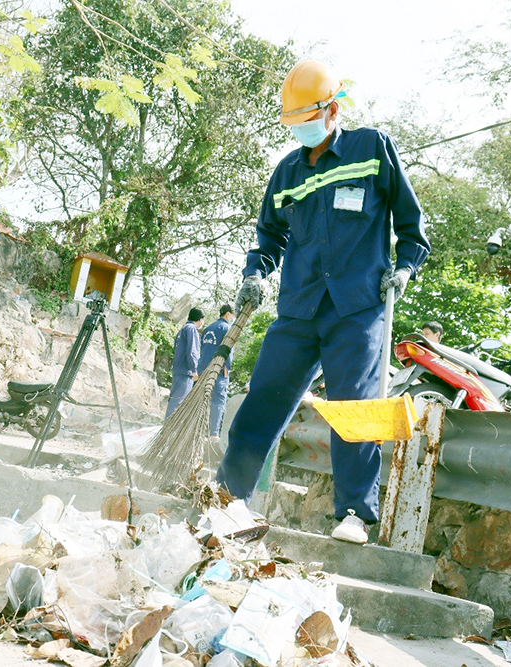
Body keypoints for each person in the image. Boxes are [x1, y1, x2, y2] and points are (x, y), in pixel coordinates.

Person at [215, 60, 430, 545]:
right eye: (293, 124)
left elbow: (412, 226)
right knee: (264, 399)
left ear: (333, 110)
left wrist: (403, 268)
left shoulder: (372, 148)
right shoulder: (287, 171)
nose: (301, 132)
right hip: (299, 307)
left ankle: (354, 513)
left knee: (354, 404)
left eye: (308, 119)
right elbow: (268, 238)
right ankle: (229, 499)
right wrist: (255, 274)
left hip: (357, 307)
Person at [198, 304, 236, 437]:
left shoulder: (208, 328)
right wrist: (227, 368)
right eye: (233, 315)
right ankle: (213, 434)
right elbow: (228, 351)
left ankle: (198, 432)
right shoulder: (227, 328)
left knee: (201, 401)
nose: (233, 318)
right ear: (227, 314)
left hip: (203, 370)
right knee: (218, 402)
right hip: (219, 371)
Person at [165, 307, 204, 418]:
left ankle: (168, 430)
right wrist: (194, 370)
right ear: (200, 319)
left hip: (178, 370)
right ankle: (168, 431)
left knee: (174, 402)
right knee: (178, 404)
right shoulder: (192, 329)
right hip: (186, 372)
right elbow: (192, 351)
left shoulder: (183, 329)